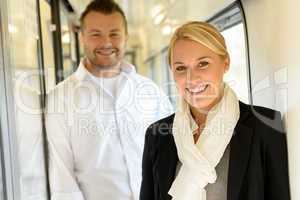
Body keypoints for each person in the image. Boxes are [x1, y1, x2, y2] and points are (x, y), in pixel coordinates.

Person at [140, 21, 290, 200]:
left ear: (225, 63)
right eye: (181, 68)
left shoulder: (264, 125)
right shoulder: (157, 135)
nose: (192, 78)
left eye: (203, 64)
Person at [46, 0, 173, 200]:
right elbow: (64, 181)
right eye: (96, 34)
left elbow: (171, 155)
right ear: (82, 37)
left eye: (114, 34)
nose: (106, 43)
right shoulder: (59, 98)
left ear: (126, 37)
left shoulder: (150, 91)